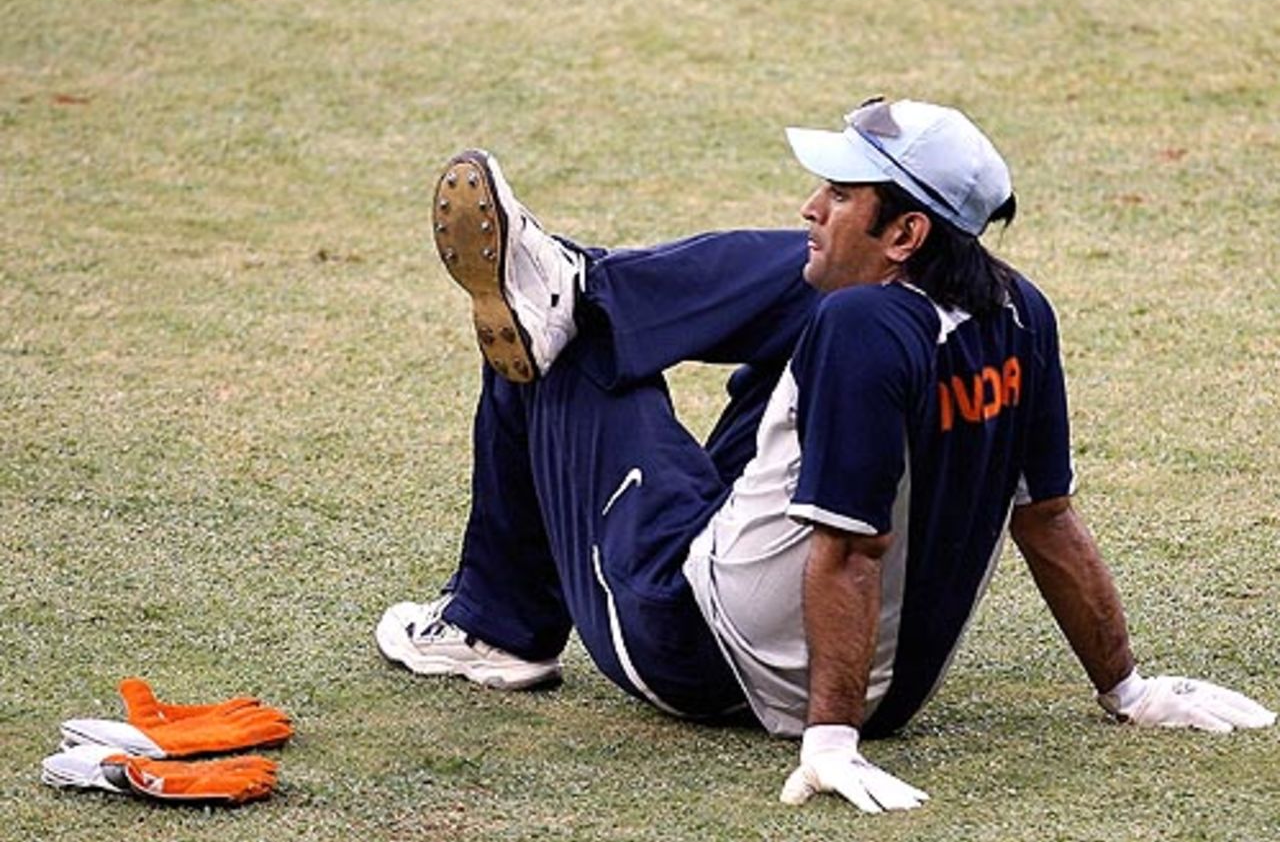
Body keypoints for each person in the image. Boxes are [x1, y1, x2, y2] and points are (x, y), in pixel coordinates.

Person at [376, 97, 1275, 813]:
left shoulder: (860, 328)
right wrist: (1126, 686)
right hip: (890, 686)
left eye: (843, 194)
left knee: (549, 350)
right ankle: (580, 285)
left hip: (690, 640)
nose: (813, 204)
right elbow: (1048, 518)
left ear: (907, 234)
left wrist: (829, 740)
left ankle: (495, 629)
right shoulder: (1017, 310)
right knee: (801, 271)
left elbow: (852, 549)